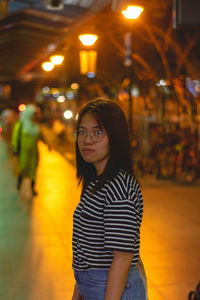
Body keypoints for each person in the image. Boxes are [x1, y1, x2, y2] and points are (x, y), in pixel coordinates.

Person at [71, 98, 147, 300]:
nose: (87, 140)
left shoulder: (119, 186)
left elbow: (122, 257)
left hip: (114, 289)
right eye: (82, 132)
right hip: (94, 286)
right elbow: (87, 248)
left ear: (116, 137)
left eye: (98, 132)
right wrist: (79, 291)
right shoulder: (96, 181)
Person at [11, 104, 42, 196]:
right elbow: (15, 137)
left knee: (33, 171)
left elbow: (40, 136)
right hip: (23, 153)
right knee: (22, 168)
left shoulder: (35, 125)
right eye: (33, 114)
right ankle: (19, 185)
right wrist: (15, 148)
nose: (34, 116)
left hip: (33, 154)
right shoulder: (20, 125)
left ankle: (32, 189)